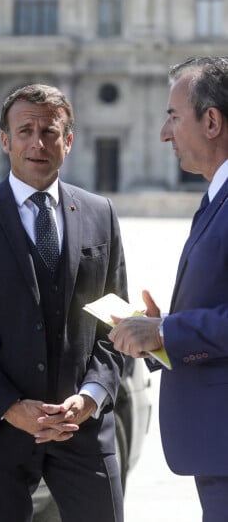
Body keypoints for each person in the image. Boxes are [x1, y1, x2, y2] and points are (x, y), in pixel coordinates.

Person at [0, 83, 128, 522]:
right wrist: (9, 407)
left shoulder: (101, 213)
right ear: (5, 140)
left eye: (50, 131)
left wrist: (92, 397)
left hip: (82, 428)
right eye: (25, 131)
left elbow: (116, 321)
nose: (38, 143)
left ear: (69, 141)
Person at [109, 56, 228, 522]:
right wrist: (159, 334)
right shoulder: (215, 196)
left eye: (174, 117)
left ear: (212, 121)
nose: (164, 133)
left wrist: (166, 332)